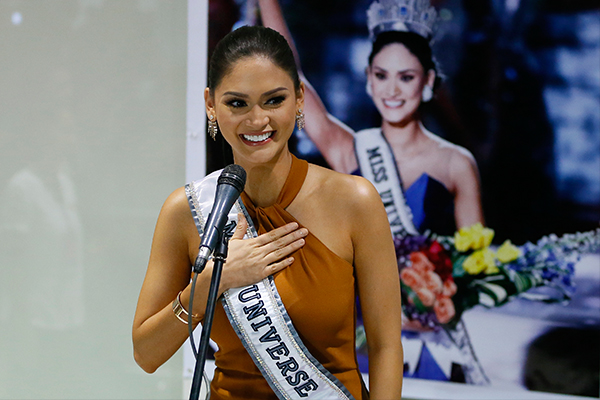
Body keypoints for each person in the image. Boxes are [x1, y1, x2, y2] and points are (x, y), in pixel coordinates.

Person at [132, 26, 403, 399]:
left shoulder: (355, 201)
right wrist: (211, 284)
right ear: (211, 104)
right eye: (237, 103)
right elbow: (146, 354)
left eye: (274, 100)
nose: (257, 120)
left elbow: (386, 349)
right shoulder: (187, 211)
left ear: (300, 98)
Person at [258, 0, 484, 382]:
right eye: (382, 75)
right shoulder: (350, 151)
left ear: (428, 82)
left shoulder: (456, 164)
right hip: (364, 341)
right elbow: (287, 74)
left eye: (407, 77)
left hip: (435, 346)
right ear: (368, 78)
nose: (392, 89)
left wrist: (434, 298)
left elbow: (478, 266)